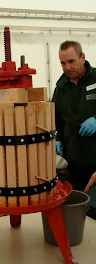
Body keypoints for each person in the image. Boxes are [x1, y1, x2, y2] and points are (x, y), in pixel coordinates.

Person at [52, 40, 96, 191]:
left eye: (71, 61)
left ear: (82, 57)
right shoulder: (61, 87)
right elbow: (56, 119)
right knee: (77, 204)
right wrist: (57, 139)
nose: (67, 67)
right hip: (74, 164)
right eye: (63, 63)